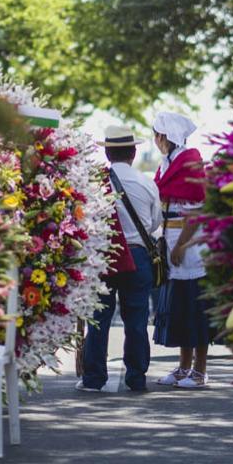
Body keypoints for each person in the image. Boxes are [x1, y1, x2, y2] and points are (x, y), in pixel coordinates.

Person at [77, 125, 162, 392]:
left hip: (103, 255)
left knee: (98, 319)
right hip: (137, 255)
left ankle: (93, 379)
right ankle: (136, 377)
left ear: (108, 154)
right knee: (137, 320)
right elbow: (154, 224)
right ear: (134, 153)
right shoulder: (147, 183)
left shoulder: (94, 182)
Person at [151, 112, 211, 389]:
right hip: (172, 237)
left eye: (157, 135)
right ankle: (183, 366)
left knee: (195, 305)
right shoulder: (167, 164)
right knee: (180, 305)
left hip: (189, 242)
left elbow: (196, 210)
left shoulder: (190, 163)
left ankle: (199, 370)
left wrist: (181, 244)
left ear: (166, 136)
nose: (155, 140)